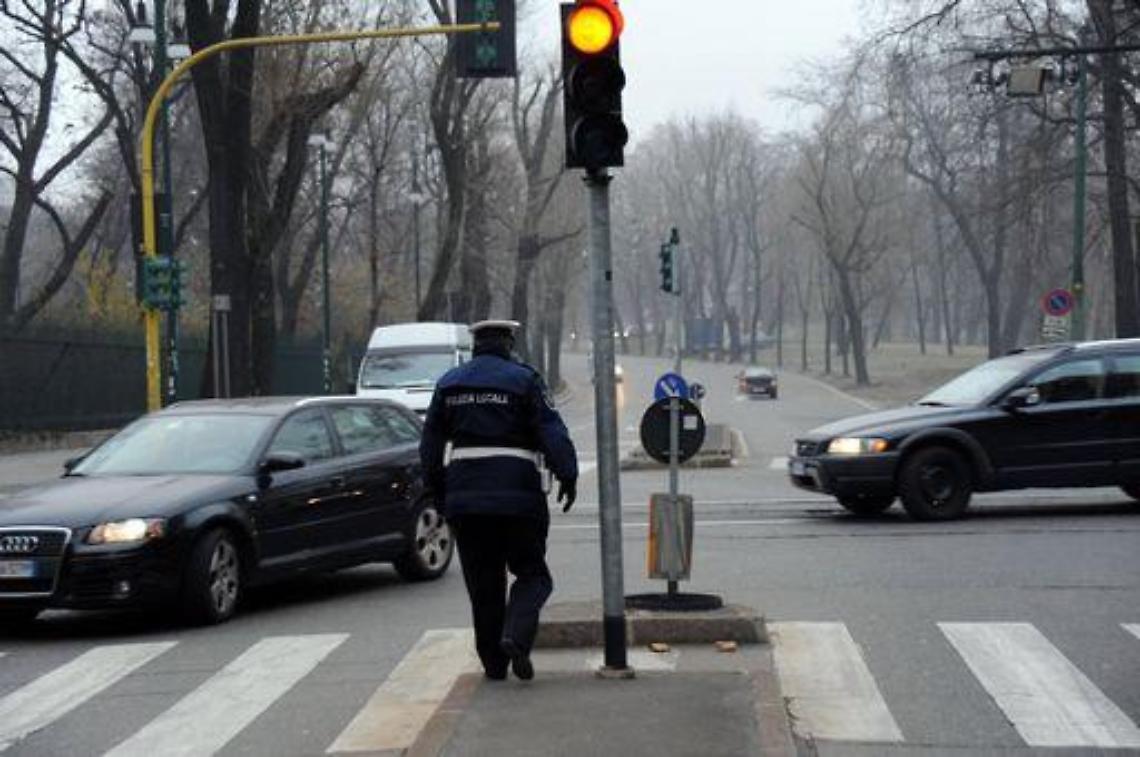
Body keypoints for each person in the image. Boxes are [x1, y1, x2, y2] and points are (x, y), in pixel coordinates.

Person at [420, 320, 578, 681]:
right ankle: (516, 636)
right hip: (518, 497)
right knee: (532, 573)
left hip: (466, 500)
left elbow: (430, 447)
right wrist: (567, 474)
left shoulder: (450, 383)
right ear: (508, 343)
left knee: (484, 584)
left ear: (475, 346)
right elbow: (550, 430)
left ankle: (494, 664)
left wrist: (439, 493)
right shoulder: (524, 380)